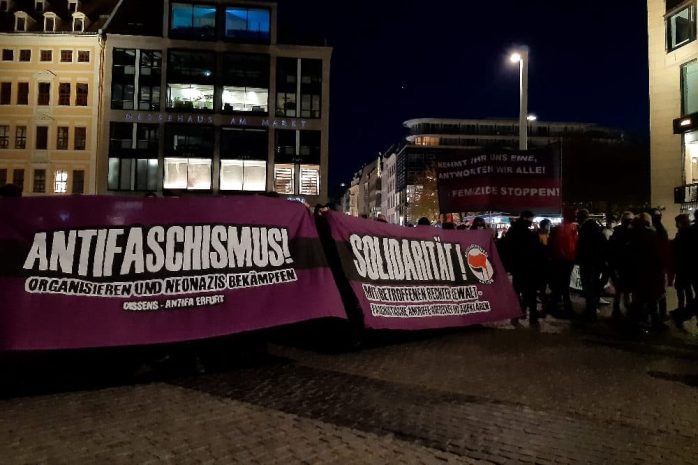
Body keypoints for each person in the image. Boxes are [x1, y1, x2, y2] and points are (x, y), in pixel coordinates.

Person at [627, 213, 667, 331]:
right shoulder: (650, 235)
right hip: (651, 272)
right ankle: (642, 322)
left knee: (643, 298)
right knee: (649, 298)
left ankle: (642, 321)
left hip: (639, 272)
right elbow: (658, 253)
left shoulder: (632, 235)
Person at [503, 210, 541, 324]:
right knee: (530, 292)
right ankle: (532, 317)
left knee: (518, 291)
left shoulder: (513, 230)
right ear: (526, 218)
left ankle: (517, 315)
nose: (532, 222)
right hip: (527, 266)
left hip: (517, 266)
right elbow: (534, 248)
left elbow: (507, 248)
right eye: (531, 219)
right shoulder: (526, 233)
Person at [576, 208, 608, 322]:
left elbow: (582, 247)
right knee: (593, 287)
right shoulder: (596, 228)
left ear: (580, 217)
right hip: (597, 263)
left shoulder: (586, 228)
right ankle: (592, 309)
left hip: (588, 263)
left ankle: (591, 312)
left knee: (588, 287)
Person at [548, 208, 578, 319]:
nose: (576, 216)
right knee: (563, 284)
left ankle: (558, 306)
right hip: (564, 261)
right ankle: (564, 307)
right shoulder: (565, 228)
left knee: (562, 285)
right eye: (574, 214)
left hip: (565, 260)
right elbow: (562, 245)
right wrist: (567, 258)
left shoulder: (570, 227)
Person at [670, 213, 696, 329]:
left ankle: (682, 312)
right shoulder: (689, 232)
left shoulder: (683, 234)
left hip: (683, 267)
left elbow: (678, 249)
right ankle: (686, 310)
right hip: (689, 267)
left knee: (681, 288)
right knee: (688, 289)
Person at [608, 211, 634, 319]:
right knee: (621, 291)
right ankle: (621, 311)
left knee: (623, 291)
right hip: (621, 266)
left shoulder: (621, 232)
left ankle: (623, 311)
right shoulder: (620, 233)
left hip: (625, 266)